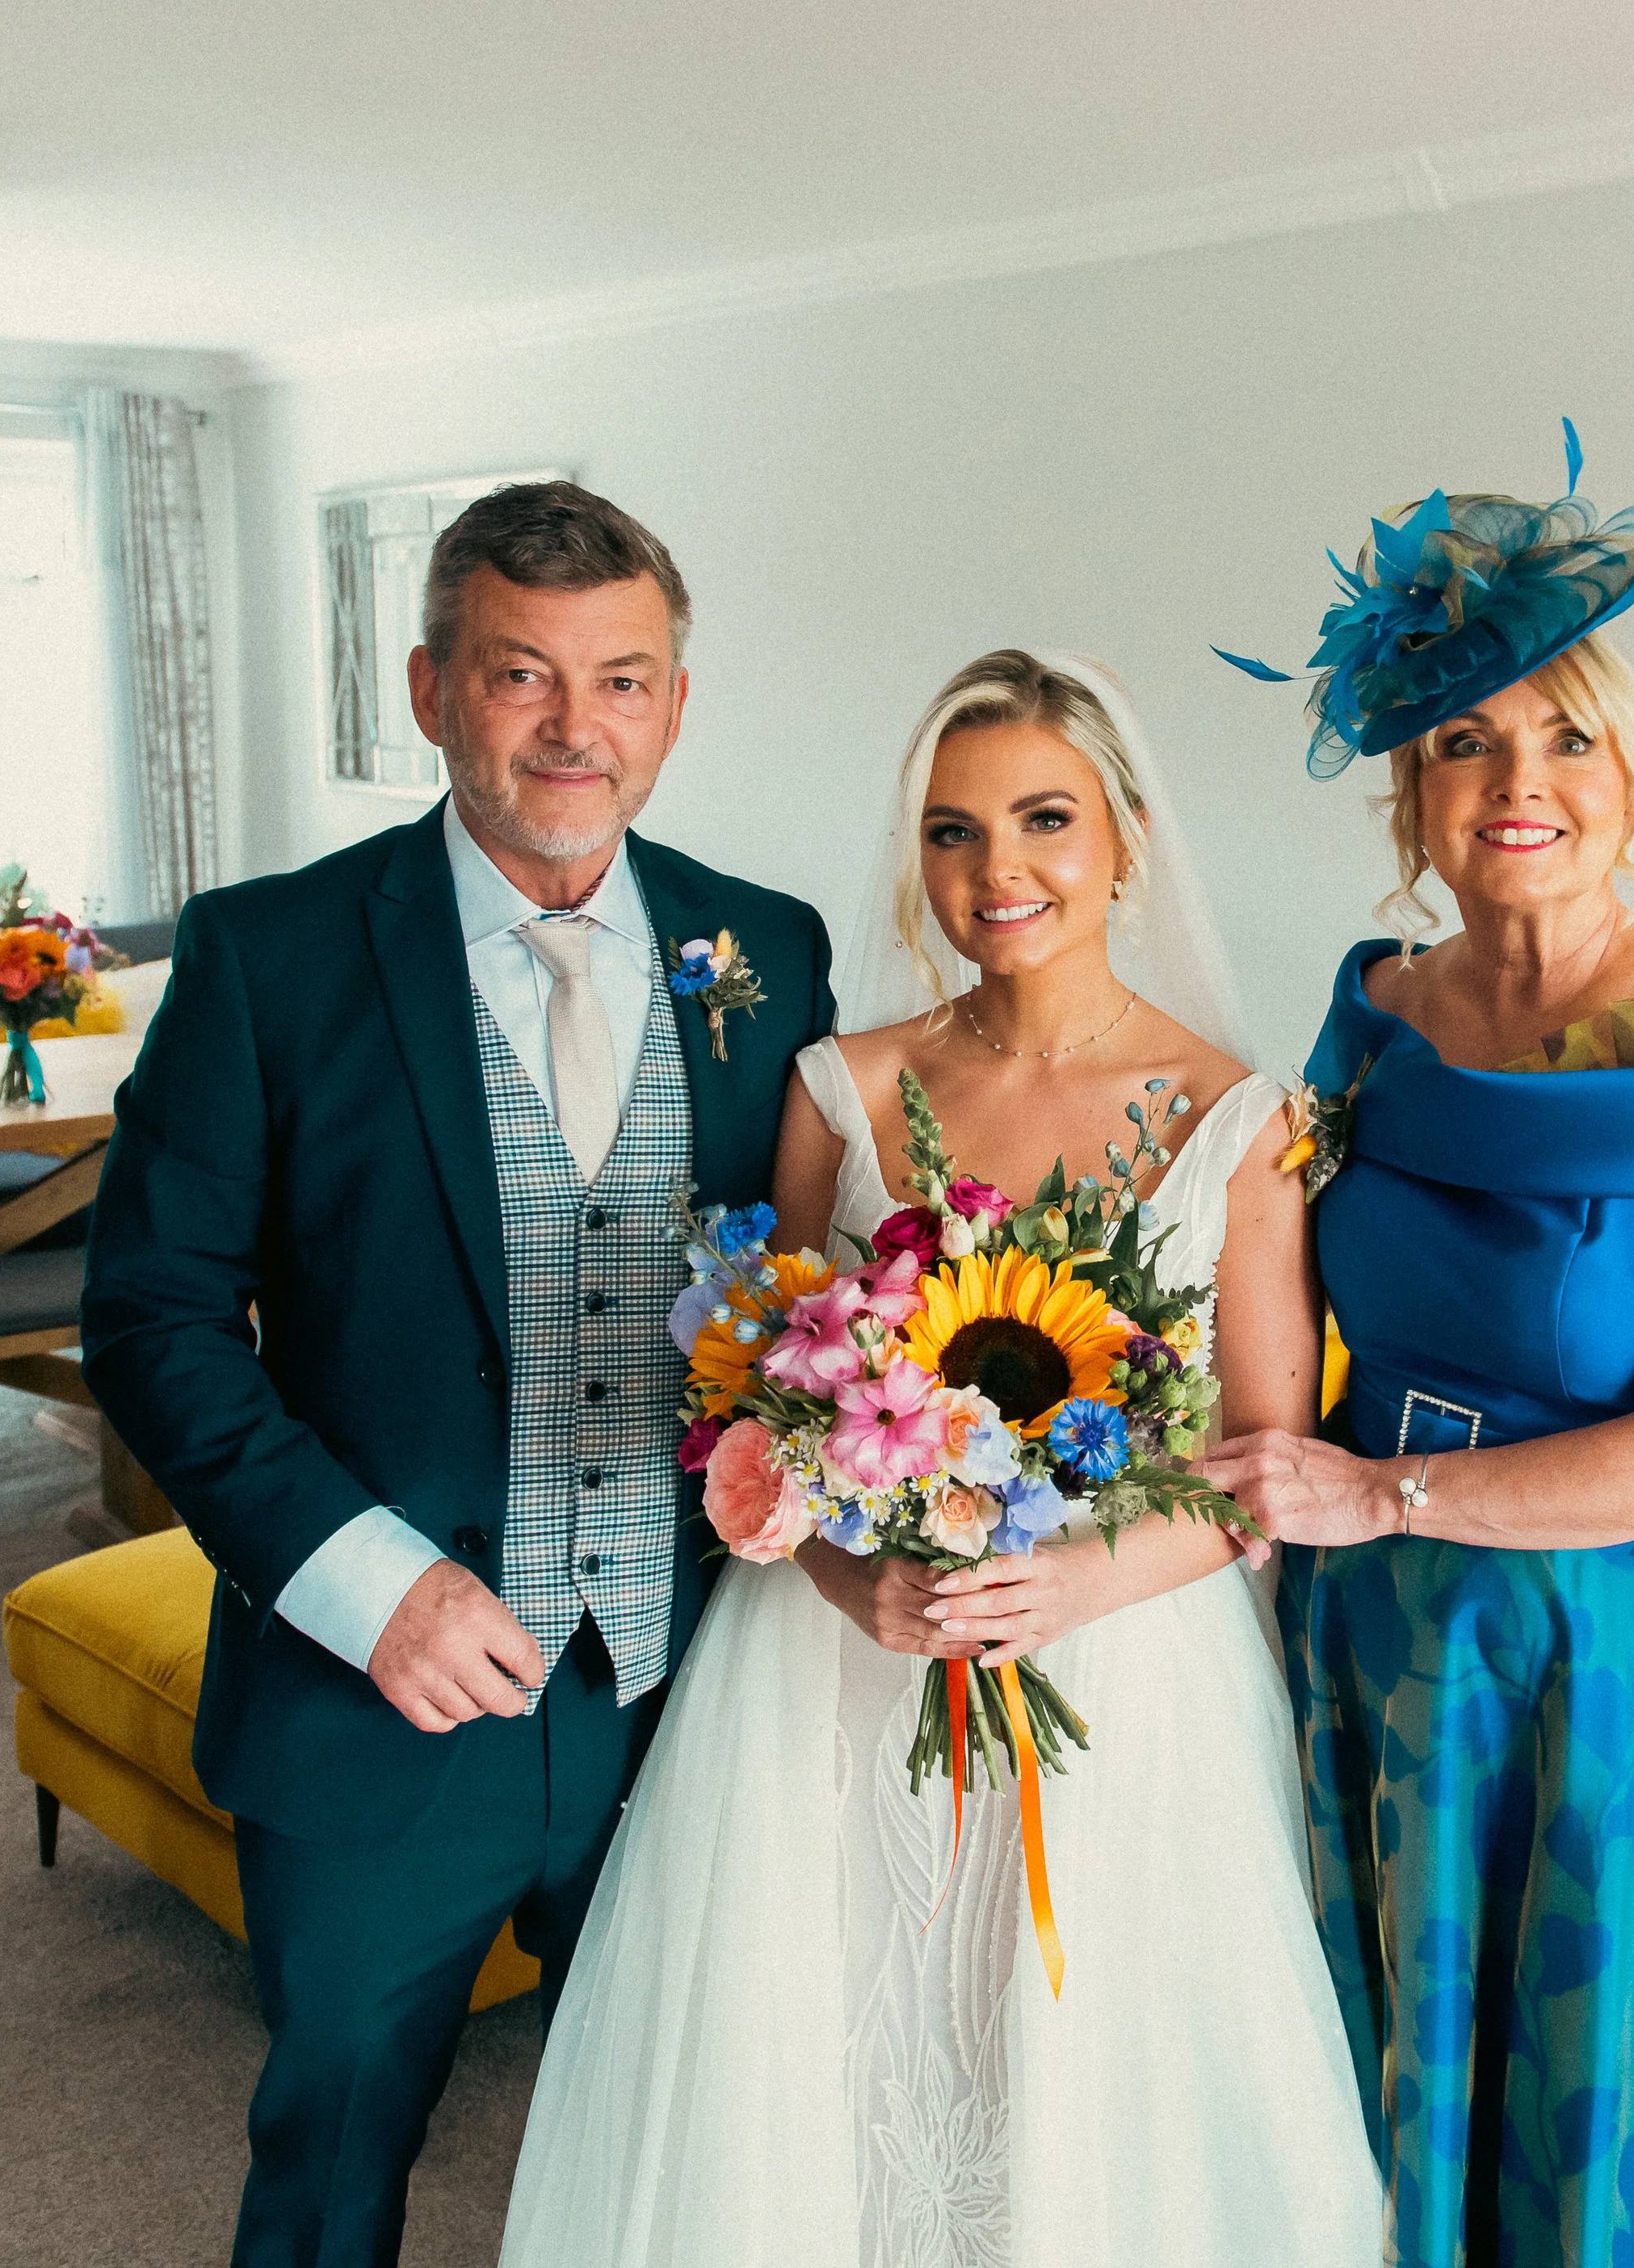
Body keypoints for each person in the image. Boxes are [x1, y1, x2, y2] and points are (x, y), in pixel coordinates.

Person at [500, 649, 1381, 2268]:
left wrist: (1073, 1578)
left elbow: (1266, 1447)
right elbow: (754, 1396)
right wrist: (853, 1577)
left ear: (1122, 835)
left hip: (1123, 1670)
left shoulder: (1237, 1120)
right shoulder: (846, 1085)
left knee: (1083, 2076)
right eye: (950, 830)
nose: (997, 871)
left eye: (1042, 817)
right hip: (836, 1668)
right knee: (826, 2065)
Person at [81, 481, 834, 2268]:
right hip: (377, 1703)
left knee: (684, 2155)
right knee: (335, 2150)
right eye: (521, 675)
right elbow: (152, 1316)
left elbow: (813, 1286)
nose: (578, 728)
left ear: (673, 701)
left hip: (685, 1687)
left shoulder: (766, 946)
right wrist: (367, 1583)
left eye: (625, 680)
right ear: (429, 690)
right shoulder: (269, 953)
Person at [1207, 442, 1634, 2267]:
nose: (1519, 784)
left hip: (1622, 1643)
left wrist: (1379, 1490)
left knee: (1609, 2134)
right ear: (1408, 796)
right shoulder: (1374, 1007)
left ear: (1627, 770)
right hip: (1372, 1630)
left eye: (1562, 738)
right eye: (1464, 744)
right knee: (1381, 2093)